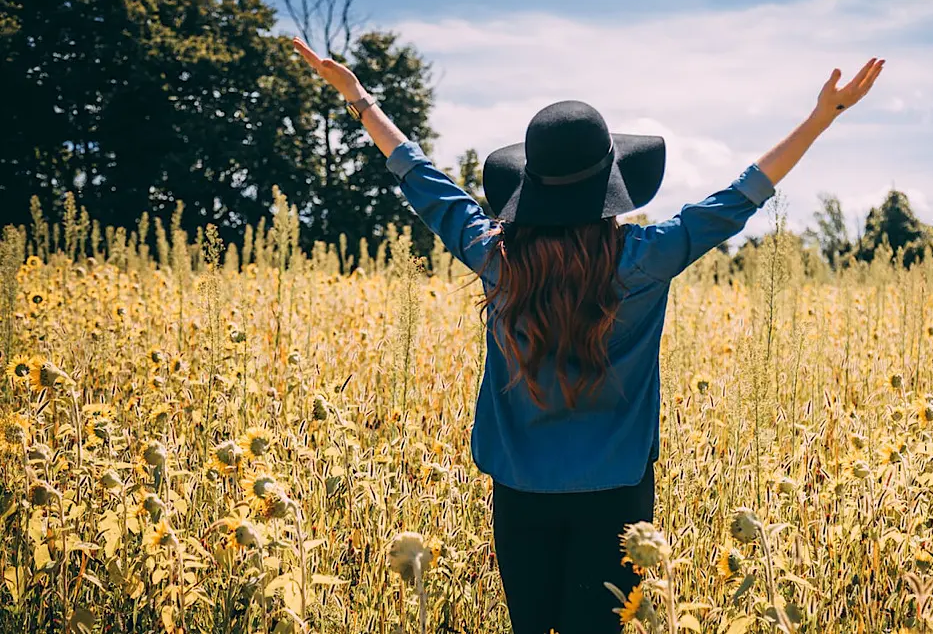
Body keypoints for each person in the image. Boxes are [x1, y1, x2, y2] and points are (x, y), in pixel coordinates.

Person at [293, 36, 883, 633]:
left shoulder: (496, 258)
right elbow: (744, 194)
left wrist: (360, 100)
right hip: (618, 496)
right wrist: (822, 116)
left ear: (530, 185)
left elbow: (426, 185)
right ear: (612, 186)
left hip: (519, 494)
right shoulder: (647, 258)